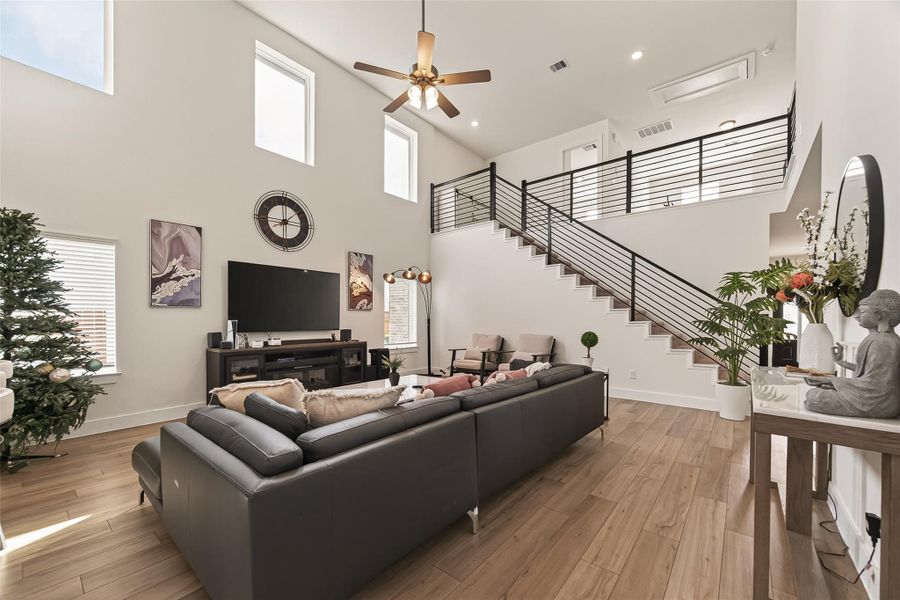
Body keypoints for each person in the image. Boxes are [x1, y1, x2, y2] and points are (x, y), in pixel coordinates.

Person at [805, 289, 900, 418]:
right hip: (877, 399)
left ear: (880, 315)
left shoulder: (882, 342)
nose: (858, 316)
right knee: (819, 391)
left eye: (863, 312)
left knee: (815, 396)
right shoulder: (882, 339)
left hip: (876, 403)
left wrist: (832, 380)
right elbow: (869, 372)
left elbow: (875, 385)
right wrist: (840, 362)